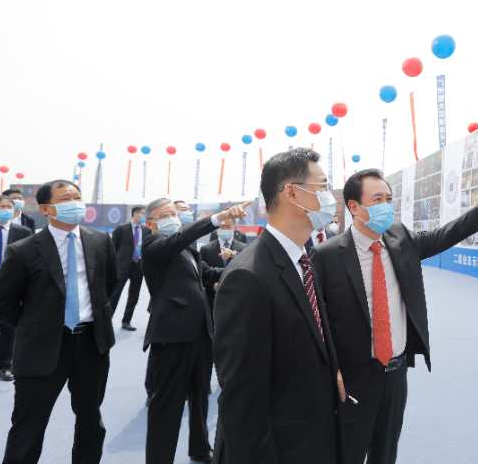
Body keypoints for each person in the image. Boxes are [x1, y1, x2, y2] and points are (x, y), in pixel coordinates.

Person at [312, 169, 478, 464]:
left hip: (396, 373)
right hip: (354, 377)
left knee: (386, 452)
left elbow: (443, 236)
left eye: (389, 199)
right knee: (348, 452)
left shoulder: (400, 238)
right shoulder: (327, 255)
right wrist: (331, 371)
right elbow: (318, 320)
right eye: (377, 199)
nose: (386, 206)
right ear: (354, 206)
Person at [213, 148, 344, 464]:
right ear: (292, 193)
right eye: (322, 186)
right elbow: (243, 403)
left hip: (314, 437)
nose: (330, 197)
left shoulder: (302, 260)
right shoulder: (248, 277)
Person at [0, 180, 117, 464]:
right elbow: (2, 303)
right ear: (46, 209)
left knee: (91, 422)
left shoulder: (100, 241)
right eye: (65, 199)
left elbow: (109, 285)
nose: (74, 203)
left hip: (91, 345)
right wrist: (34, 328)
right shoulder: (23, 250)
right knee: (28, 428)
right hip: (40, 349)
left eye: (77, 197)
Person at [142, 198, 247, 464]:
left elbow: (207, 274)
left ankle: (199, 448)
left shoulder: (187, 249)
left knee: (200, 396)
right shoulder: (153, 246)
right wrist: (216, 219)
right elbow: (178, 239)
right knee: (167, 405)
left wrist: (239, 267)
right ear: (151, 223)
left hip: (200, 334)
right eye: (165, 214)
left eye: (174, 213)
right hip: (172, 337)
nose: (172, 218)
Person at [0, 195, 32, 381]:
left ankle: (5, 364)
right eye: (1, 207)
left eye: (8, 206)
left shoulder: (23, 232)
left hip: (9, 288)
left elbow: (30, 260)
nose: (6, 210)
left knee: (8, 329)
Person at [109, 205, 150, 331]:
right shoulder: (121, 229)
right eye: (142, 213)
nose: (144, 216)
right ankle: (106, 321)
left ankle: (126, 321)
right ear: (135, 213)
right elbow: (112, 248)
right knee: (115, 294)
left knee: (134, 295)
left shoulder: (146, 230)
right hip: (122, 267)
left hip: (139, 267)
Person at [199, 218, 246, 312]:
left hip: (237, 299)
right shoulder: (205, 249)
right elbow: (202, 276)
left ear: (234, 227)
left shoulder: (243, 248)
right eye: (222, 227)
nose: (225, 230)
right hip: (213, 301)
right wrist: (212, 285)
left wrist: (234, 255)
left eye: (228, 227)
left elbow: (246, 270)